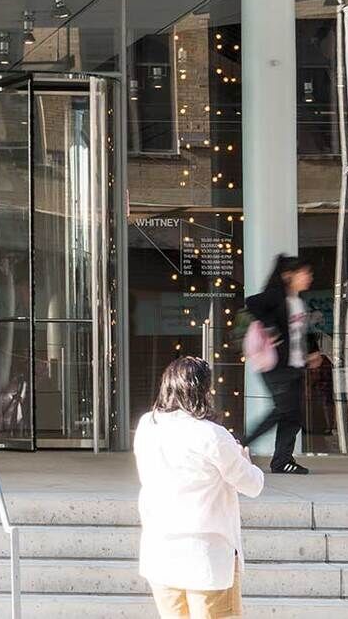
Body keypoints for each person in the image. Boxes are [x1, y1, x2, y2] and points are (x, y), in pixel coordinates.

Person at [135, 356, 264, 617]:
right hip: (206, 555)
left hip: (159, 549)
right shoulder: (212, 435)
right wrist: (245, 460)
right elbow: (251, 484)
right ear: (202, 391)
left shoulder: (147, 425)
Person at [242, 253, 321, 474]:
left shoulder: (298, 302)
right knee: (284, 410)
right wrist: (271, 329)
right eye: (304, 273)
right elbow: (252, 303)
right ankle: (240, 442)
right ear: (288, 275)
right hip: (276, 367)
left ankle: (282, 461)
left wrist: (313, 352)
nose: (309, 277)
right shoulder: (277, 296)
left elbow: (302, 332)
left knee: (293, 415)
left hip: (295, 366)